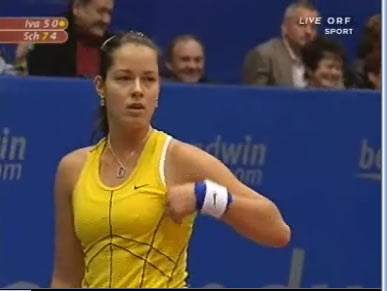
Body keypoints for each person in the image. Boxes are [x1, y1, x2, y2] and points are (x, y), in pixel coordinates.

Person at [51, 31, 291, 288]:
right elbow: (66, 278)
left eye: (149, 79)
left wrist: (205, 196)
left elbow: (277, 231)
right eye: (123, 78)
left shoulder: (179, 158)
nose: (137, 90)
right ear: (100, 86)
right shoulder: (72, 169)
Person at [27, 0, 114, 78]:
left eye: (109, 13)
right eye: (101, 12)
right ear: (77, 8)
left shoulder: (115, 47)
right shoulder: (48, 42)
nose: (106, 20)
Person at [243, 2, 319, 87]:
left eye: (313, 27)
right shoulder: (264, 56)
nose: (308, 32)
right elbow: (254, 98)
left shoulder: (318, 59)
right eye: (302, 24)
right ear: (285, 27)